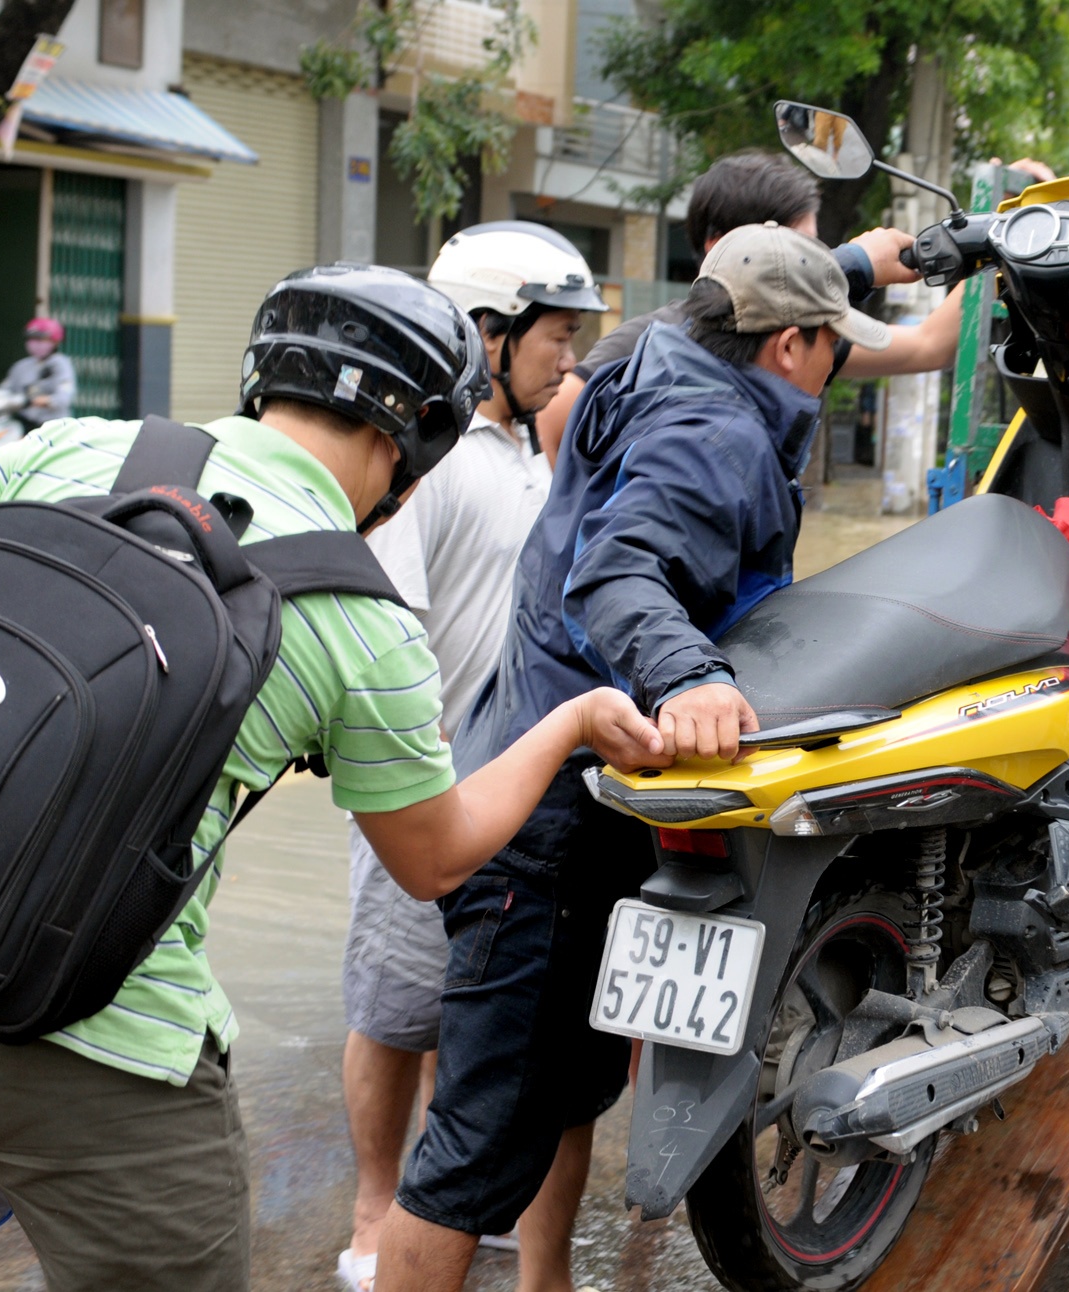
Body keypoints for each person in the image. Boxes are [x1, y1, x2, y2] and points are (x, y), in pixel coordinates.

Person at [0, 264, 665, 1292]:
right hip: (100, 1038)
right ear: (418, 434)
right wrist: (569, 721)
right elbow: (435, 858)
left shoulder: (72, 447)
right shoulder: (361, 621)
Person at [373, 223, 890, 1291]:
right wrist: (688, 674)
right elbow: (617, 574)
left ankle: (547, 1281)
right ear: (789, 345)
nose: (835, 364)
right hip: (548, 839)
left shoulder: (655, 352)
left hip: (576, 796)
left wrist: (870, 262)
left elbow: (750, 295)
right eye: (831, 344)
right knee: (468, 1158)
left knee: (569, 1091)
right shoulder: (715, 428)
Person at [336, 223, 606, 1292]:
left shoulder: (537, 452)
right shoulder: (426, 459)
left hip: (514, 789)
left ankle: (455, 1201)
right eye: (555, 336)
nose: (568, 358)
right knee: (396, 1009)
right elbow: (385, 615)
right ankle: (374, 1210)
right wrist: (415, 758)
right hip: (422, 784)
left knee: (474, 1011)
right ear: (488, 333)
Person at [536, 149, 978, 462]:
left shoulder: (793, 332)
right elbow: (555, 420)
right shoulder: (661, 340)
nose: (812, 264)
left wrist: (994, 238)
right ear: (721, 247)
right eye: (798, 251)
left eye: (814, 251)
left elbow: (929, 345)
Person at [4, 317, 76, 428]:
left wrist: (39, 401)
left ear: (55, 341)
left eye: (41, 339)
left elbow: (63, 398)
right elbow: (5, 390)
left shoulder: (61, 364)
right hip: (24, 423)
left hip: (53, 427)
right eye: (32, 338)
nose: (35, 343)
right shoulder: (21, 366)